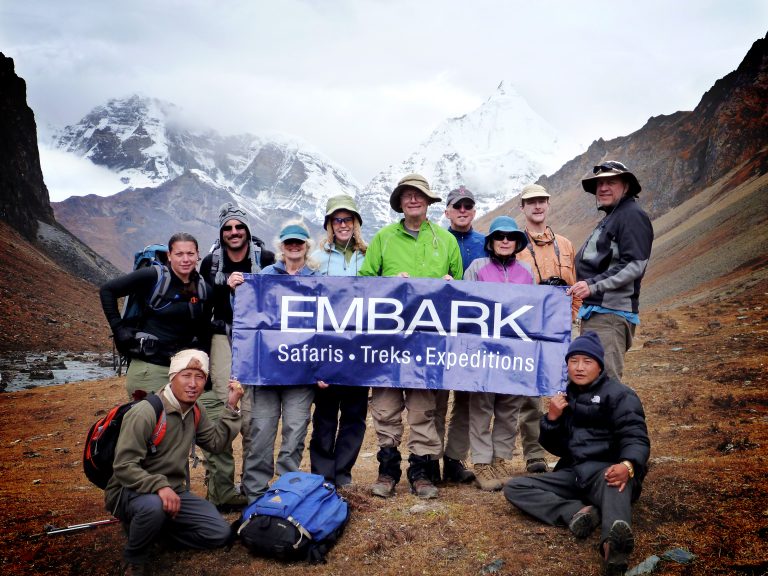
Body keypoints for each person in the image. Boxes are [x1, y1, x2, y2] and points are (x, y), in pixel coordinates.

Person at [504, 332, 650, 575]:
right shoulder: (565, 396)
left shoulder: (620, 395)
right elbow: (559, 448)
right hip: (574, 474)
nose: (579, 368)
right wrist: (551, 419)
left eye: (587, 361)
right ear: (567, 364)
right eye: (574, 361)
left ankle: (613, 550)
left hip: (607, 472)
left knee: (615, 483)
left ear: (599, 365)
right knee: (515, 487)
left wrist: (628, 465)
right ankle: (579, 513)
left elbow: (636, 438)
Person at [359, 173, 463, 499]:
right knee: (386, 408)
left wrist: (449, 282)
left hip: (427, 345)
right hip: (388, 343)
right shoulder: (384, 239)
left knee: (422, 410)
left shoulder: (446, 241)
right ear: (400, 202)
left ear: (428, 201)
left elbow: (460, 291)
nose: (413, 199)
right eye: (407, 195)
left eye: (419, 195)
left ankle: (421, 473)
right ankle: (387, 472)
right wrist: (390, 282)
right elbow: (363, 282)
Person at [106, 349, 244, 576]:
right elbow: (123, 467)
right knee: (153, 507)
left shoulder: (195, 410)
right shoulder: (146, 412)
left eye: (199, 377)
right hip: (130, 491)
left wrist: (231, 406)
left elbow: (216, 443)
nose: (193, 384)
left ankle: (156, 531)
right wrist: (160, 486)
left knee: (219, 533)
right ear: (172, 377)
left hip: (175, 492)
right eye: (186, 375)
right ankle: (134, 558)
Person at [198, 203, 275, 510]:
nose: (234, 232)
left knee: (254, 414)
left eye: (239, 227)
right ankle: (222, 486)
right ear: (221, 232)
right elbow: (205, 303)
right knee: (222, 406)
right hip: (222, 339)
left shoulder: (266, 260)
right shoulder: (210, 263)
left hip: (257, 341)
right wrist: (225, 288)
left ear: (247, 230)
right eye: (228, 228)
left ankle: (253, 486)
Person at [241, 221, 319, 500]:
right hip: (267, 370)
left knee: (295, 432)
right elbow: (247, 318)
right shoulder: (263, 276)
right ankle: (255, 495)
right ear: (281, 247)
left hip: (301, 371)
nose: (294, 246)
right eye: (289, 242)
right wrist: (235, 287)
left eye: (299, 242)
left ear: (307, 246)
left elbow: (327, 329)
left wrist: (324, 366)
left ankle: (287, 492)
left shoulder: (318, 279)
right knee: (260, 431)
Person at [463, 216, 537, 490]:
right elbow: (465, 307)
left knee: (509, 408)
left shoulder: (527, 271)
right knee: (481, 407)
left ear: (517, 242)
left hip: (515, 352)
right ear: (491, 242)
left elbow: (534, 310)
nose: (505, 241)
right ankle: (482, 464)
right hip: (483, 353)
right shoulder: (477, 267)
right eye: (499, 236)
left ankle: (501, 461)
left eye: (510, 236)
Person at [515, 183, 581, 474]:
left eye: (542, 201)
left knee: (569, 389)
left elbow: (575, 285)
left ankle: (571, 449)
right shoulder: (516, 245)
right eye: (531, 202)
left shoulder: (566, 244)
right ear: (523, 208)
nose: (537, 206)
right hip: (528, 330)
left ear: (549, 204)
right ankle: (533, 453)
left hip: (563, 329)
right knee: (529, 394)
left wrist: (571, 319)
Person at [567, 161, 654, 380]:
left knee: (603, 383)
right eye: (599, 183)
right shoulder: (613, 216)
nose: (603, 187)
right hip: (598, 313)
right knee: (590, 382)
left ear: (625, 185)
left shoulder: (631, 215)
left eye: (611, 182)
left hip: (610, 316)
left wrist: (592, 285)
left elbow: (635, 264)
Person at [100, 232, 212, 399]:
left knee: (183, 422)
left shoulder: (204, 289)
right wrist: (118, 328)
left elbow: (203, 332)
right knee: (150, 420)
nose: (185, 259)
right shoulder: (153, 276)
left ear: (198, 255)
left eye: (190, 253)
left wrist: (205, 371)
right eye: (179, 254)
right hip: (149, 368)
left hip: (183, 370)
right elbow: (107, 290)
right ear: (169, 255)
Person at [308, 195, 370, 487]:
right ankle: (322, 473)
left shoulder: (370, 256)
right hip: (327, 347)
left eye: (348, 219)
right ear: (329, 224)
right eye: (337, 220)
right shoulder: (317, 258)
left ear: (356, 223)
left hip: (360, 349)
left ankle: (343, 472)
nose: (343, 225)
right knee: (325, 415)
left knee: (355, 415)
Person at [434, 185, 487, 484]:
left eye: (468, 205)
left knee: (467, 400)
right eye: (457, 206)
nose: (463, 210)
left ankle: (454, 461)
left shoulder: (486, 242)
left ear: (474, 210)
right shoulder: (436, 240)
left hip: (475, 331)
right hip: (441, 330)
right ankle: (430, 460)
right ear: (448, 211)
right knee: (437, 398)